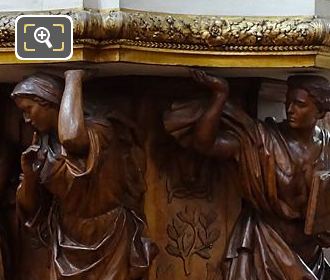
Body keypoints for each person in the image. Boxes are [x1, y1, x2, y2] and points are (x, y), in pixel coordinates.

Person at [163, 70, 330, 279]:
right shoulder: (261, 140)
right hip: (266, 246)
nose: (290, 110)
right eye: (288, 102)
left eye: (300, 104)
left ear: (321, 112)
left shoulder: (327, 146)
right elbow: (205, 144)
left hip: (310, 254)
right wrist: (220, 97)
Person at [12, 70, 157, 280]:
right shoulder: (41, 148)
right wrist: (29, 175)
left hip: (109, 233)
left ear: (49, 102)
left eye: (28, 109)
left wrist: (73, 77)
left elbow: (71, 139)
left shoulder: (99, 129)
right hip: (66, 237)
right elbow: (30, 210)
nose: (26, 119)